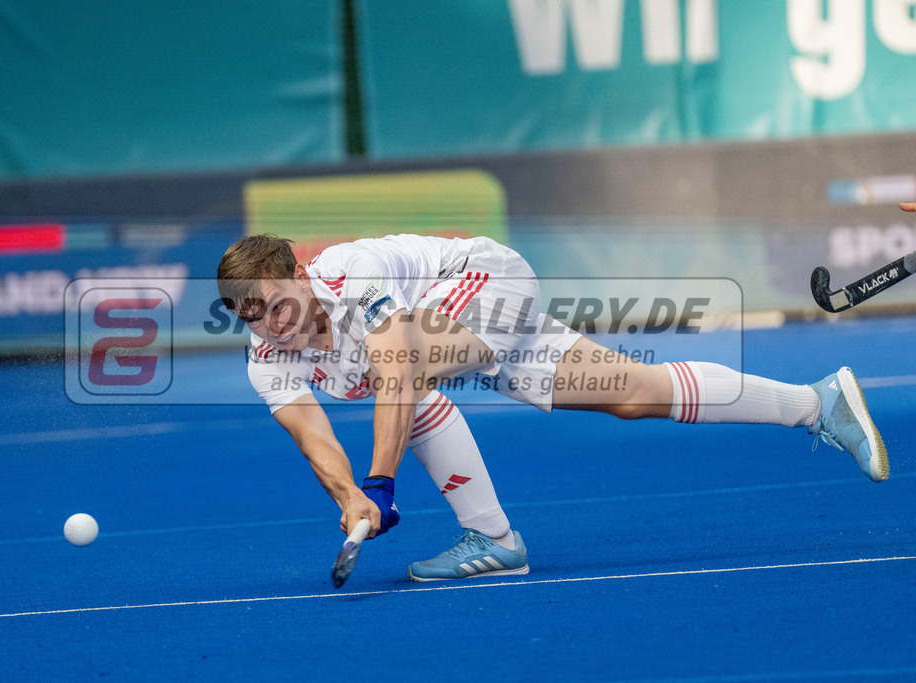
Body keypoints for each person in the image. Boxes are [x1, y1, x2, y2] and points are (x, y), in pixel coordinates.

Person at [216, 222, 890, 582]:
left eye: (279, 303)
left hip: (487, 282)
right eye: (254, 317)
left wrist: (382, 482)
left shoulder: (352, 272)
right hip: (465, 329)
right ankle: (818, 402)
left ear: (301, 277)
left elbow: (398, 365)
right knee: (635, 394)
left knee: (401, 362)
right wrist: (349, 500)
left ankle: (493, 534)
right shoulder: (265, 357)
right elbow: (311, 436)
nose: (273, 324)